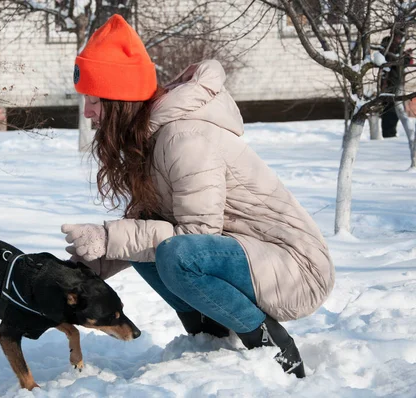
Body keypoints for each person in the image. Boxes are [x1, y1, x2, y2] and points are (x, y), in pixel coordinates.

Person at [61, 14, 334, 378]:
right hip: (248, 257)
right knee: (139, 237)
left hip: (295, 270)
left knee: (171, 251)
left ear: (119, 99)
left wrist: (111, 237)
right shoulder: (152, 138)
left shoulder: (184, 137)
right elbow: (145, 231)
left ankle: (272, 345)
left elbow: (196, 237)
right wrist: (81, 269)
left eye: (94, 99)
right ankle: (211, 338)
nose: (88, 112)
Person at [380, 31, 413, 138]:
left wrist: (406, 56)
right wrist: (403, 57)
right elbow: (390, 60)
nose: (400, 39)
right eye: (399, 37)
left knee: (395, 110)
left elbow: (405, 63)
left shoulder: (397, 47)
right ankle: (389, 134)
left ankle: (390, 133)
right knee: (390, 109)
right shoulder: (387, 44)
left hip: (396, 82)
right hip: (389, 82)